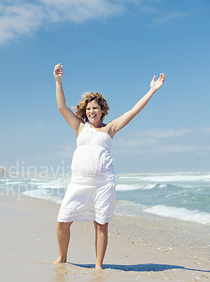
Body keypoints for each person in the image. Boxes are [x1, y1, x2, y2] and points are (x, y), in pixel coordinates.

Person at [52, 63, 165, 270]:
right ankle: (62, 257)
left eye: (95, 108)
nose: (91, 111)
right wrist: (58, 81)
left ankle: (98, 265)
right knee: (63, 221)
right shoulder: (80, 127)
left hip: (103, 183)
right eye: (88, 109)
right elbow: (61, 106)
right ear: (84, 112)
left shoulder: (110, 128)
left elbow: (133, 112)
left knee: (101, 224)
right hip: (78, 182)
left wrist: (151, 90)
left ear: (102, 110)